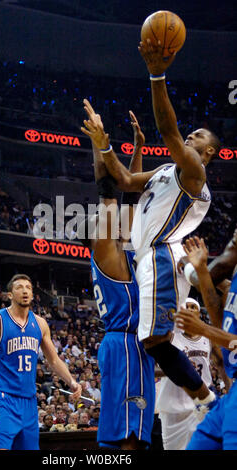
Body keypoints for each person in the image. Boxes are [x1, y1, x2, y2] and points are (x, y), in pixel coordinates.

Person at [81, 37, 221, 407]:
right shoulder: (168, 170)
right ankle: (206, 397)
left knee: (156, 341)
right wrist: (106, 145)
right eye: (192, 133)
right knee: (158, 341)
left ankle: (208, 399)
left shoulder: (194, 171)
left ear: (208, 153)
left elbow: (170, 131)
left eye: (198, 137)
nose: (191, 136)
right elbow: (125, 181)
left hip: (161, 251)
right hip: (153, 255)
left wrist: (157, 75)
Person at [80, 104, 156, 450]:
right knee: (129, 435)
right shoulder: (105, 252)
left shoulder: (118, 249)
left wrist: (139, 147)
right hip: (124, 342)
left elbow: (131, 196)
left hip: (127, 344)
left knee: (129, 431)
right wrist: (100, 142)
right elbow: (108, 193)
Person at [0, 274, 81, 450]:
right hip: (1, 397)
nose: (25, 291)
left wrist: (71, 382)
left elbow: (54, 360)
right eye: (19, 287)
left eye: (28, 288)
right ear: (10, 295)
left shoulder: (40, 324)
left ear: (33, 295)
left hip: (29, 400)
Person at [175, 231, 237, 449]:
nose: (234, 236)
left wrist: (204, 329)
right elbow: (221, 322)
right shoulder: (234, 279)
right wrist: (201, 271)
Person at [156, 298, 213, 450]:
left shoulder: (208, 338)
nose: (189, 309)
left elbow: (215, 367)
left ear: (199, 313)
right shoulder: (170, 336)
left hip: (200, 401)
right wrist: (179, 368)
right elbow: (155, 368)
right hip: (172, 405)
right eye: (186, 306)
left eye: (193, 306)